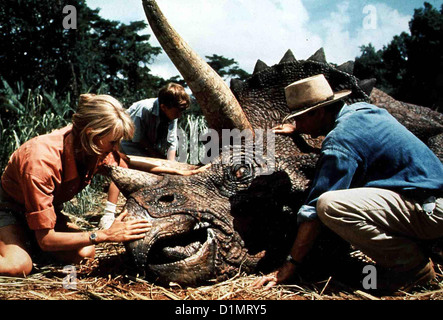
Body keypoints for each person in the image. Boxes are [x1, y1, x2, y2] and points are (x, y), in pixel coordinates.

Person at [252, 74, 443, 293]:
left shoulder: (339, 140)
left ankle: (412, 269)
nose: (297, 124)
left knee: (329, 205)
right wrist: (299, 130)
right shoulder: (362, 111)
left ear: (320, 112)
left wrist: (289, 266)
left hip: (432, 213)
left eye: (300, 118)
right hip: (432, 199)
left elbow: (313, 211)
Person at [0, 94, 152, 277]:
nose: (115, 147)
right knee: (18, 265)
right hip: (9, 210)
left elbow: (125, 165)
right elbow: (46, 239)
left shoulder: (91, 147)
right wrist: (104, 235)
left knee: (85, 252)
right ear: (91, 133)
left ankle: (25, 243)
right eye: (113, 142)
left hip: (45, 216)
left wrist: (177, 170)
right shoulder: (40, 161)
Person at [101, 83, 193, 229]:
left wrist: (170, 166)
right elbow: (137, 138)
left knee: (160, 171)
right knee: (122, 168)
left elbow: (171, 142)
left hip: (147, 144)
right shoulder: (144, 109)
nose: (179, 115)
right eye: (177, 111)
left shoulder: (172, 113)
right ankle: (108, 214)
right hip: (125, 141)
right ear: (164, 107)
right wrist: (158, 158)